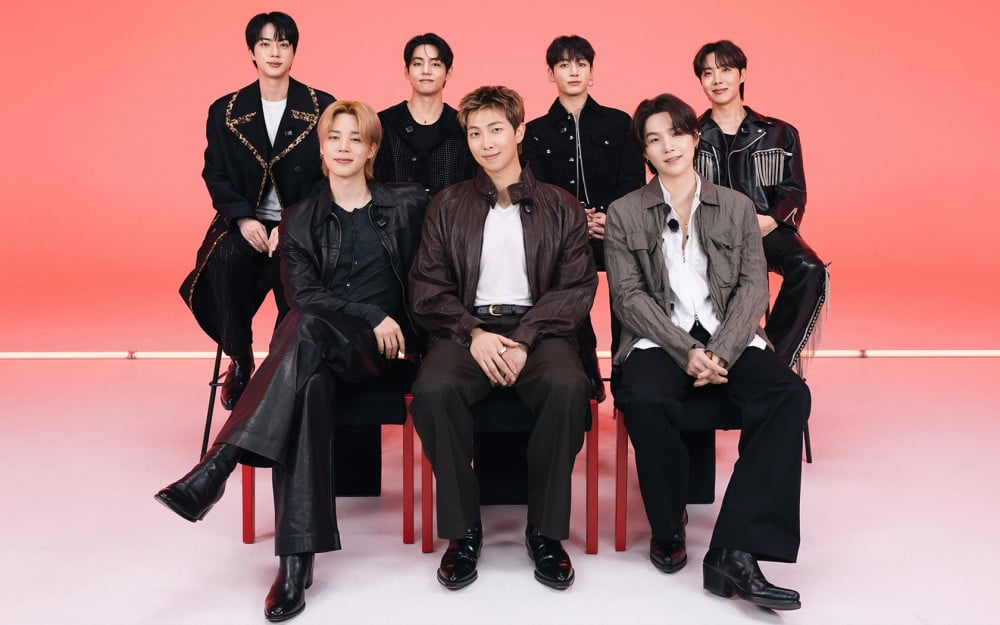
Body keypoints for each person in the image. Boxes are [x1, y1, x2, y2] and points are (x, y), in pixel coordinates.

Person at [157, 101, 428, 622]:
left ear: (372, 150)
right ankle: (294, 564)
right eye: (334, 137)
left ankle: (218, 466)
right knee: (306, 377)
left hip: (383, 351)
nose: (344, 147)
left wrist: (389, 320)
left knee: (301, 330)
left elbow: (445, 254)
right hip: (320, 349)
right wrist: (368, 312)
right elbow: (303, 294)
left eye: (355, 138)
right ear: (321, 149)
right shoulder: (300, 216)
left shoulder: (409, 203)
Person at [605, 93, 810, 610]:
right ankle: (667, 522)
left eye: (676, 134)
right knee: (644, 397)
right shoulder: (625, 213)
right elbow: (627, 297)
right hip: (658, 337)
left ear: (695, 138)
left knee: (787, 395)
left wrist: (719, 350)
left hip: (728, 335)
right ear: (644, 152)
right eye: (654, 140)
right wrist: (684, 350)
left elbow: (754, 288)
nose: (668, 146)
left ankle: (735, 548)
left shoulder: (736, 206)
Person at [408, 86, 597, 590]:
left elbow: (577, 288)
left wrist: (526, 337)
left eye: (495, 130)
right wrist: (473, 333)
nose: (486, 143)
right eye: (475, 133)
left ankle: (545, 532)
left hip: (541, 330)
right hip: (466, 330)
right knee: (432, 391)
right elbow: (426, 288)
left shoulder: (561, 205)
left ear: (519, 131)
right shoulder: (447, 205)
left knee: (567, 387)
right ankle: (463, 532)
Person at [179, 12, 335, 410]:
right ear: (252, 51)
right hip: (245, 220)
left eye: (283, 43)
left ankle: (283, 364)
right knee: (225, 259)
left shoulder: (322, 107)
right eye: (265, 44)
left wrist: (290, 222)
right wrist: (244, 218)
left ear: (294, 50)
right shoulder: (225, 110)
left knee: (297, 271)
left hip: (301, 221)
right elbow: (215, 173)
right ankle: (240, 356)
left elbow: (330, 174)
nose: (274, 52)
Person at [523, 34, 646, 402]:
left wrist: (610, 217)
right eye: (564, 65)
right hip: (563, 234)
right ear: (550, 73)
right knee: (564, 281)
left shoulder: (619, 122)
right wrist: (577, 219)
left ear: (592, 72)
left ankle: (626, 367)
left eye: (581, 64)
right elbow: (538, 190)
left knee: (630, 282)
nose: (573, 71)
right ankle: (585, 362)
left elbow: (633, 181)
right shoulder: (535, 131)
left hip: (614, 229)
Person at [692, 40, 827, 369]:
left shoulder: (779, 133)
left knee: (810, 268)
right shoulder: (691, 135)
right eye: (708, 73)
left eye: (725, 70)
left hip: (766, 228)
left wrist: (771, 220)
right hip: (708, 232)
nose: (717, 80)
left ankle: (774, 363)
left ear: (742, 74)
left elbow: (793, 191)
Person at [374, 33, 477, 195]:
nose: (426, 71)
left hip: (452, 211)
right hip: (393, 211)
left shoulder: (463, 125)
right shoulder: (384, 123)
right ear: (406, 71)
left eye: (435, 64)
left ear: (448, 72)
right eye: (418, 64)